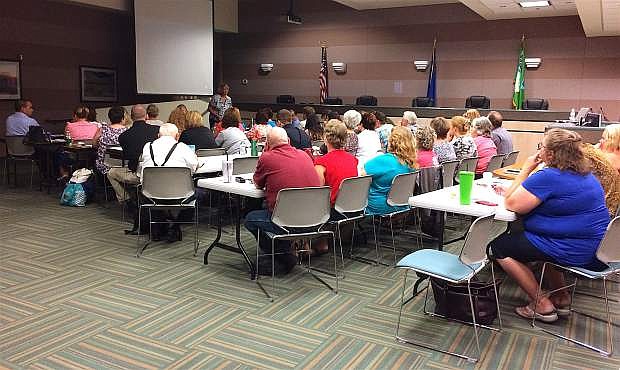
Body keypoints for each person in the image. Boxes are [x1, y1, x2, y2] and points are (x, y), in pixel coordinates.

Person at [489, 128, 610, 323]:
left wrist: (527, 169)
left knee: (498, 247)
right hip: (598, 249)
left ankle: (541, 303)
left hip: (574, 249)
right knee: (539, 244)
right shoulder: (587, 176)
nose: (539, 150)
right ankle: (561, 297)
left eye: (542, 147)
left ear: (551, 154)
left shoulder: (549, 176)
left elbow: (511, 204)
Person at [244, 127, 320, 275]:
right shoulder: (304, 155)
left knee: (250, 219)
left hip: (286, 220)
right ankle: (283, 253)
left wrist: (266, 154)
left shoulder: (267, 157)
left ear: (266, 144)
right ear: (289, 142)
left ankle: (285, 256)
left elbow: (258, 183)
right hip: (315, 219)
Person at [139, 123, 198, 242]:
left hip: (149, 195)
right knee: (200, 192)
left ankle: (158, 226)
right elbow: (193, 167)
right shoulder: (182, 147)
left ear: (158, 136)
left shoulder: (147, 146)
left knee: (155, 191)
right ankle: (175, 225)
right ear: (177, 136)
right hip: (179, 196)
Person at [107, 105, 159, 219]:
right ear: (146, 116)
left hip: (136, 174)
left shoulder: (124, 136)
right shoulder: (157, 132)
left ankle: (127, 201)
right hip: (157, 173)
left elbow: (127, 156)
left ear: (131, 116)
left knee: (111, 173)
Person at [362, 126, 417, 215]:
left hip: (378, 206)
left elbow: (361, 176)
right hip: (403, 204)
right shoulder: (412, 163)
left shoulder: (383, 160)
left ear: (391, 142)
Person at [314, 119, 359, 206]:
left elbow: (317, 193)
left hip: (330, 210)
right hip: (351, 207)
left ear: (325, 138)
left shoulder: (321, 163)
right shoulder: (353, 159)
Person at [94, 106, 128, 175]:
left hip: (104, 166)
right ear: (123, 118)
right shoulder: (127, 131)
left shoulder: (103, 129)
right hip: (123, 166)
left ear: (109, 118)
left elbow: (94, 144)